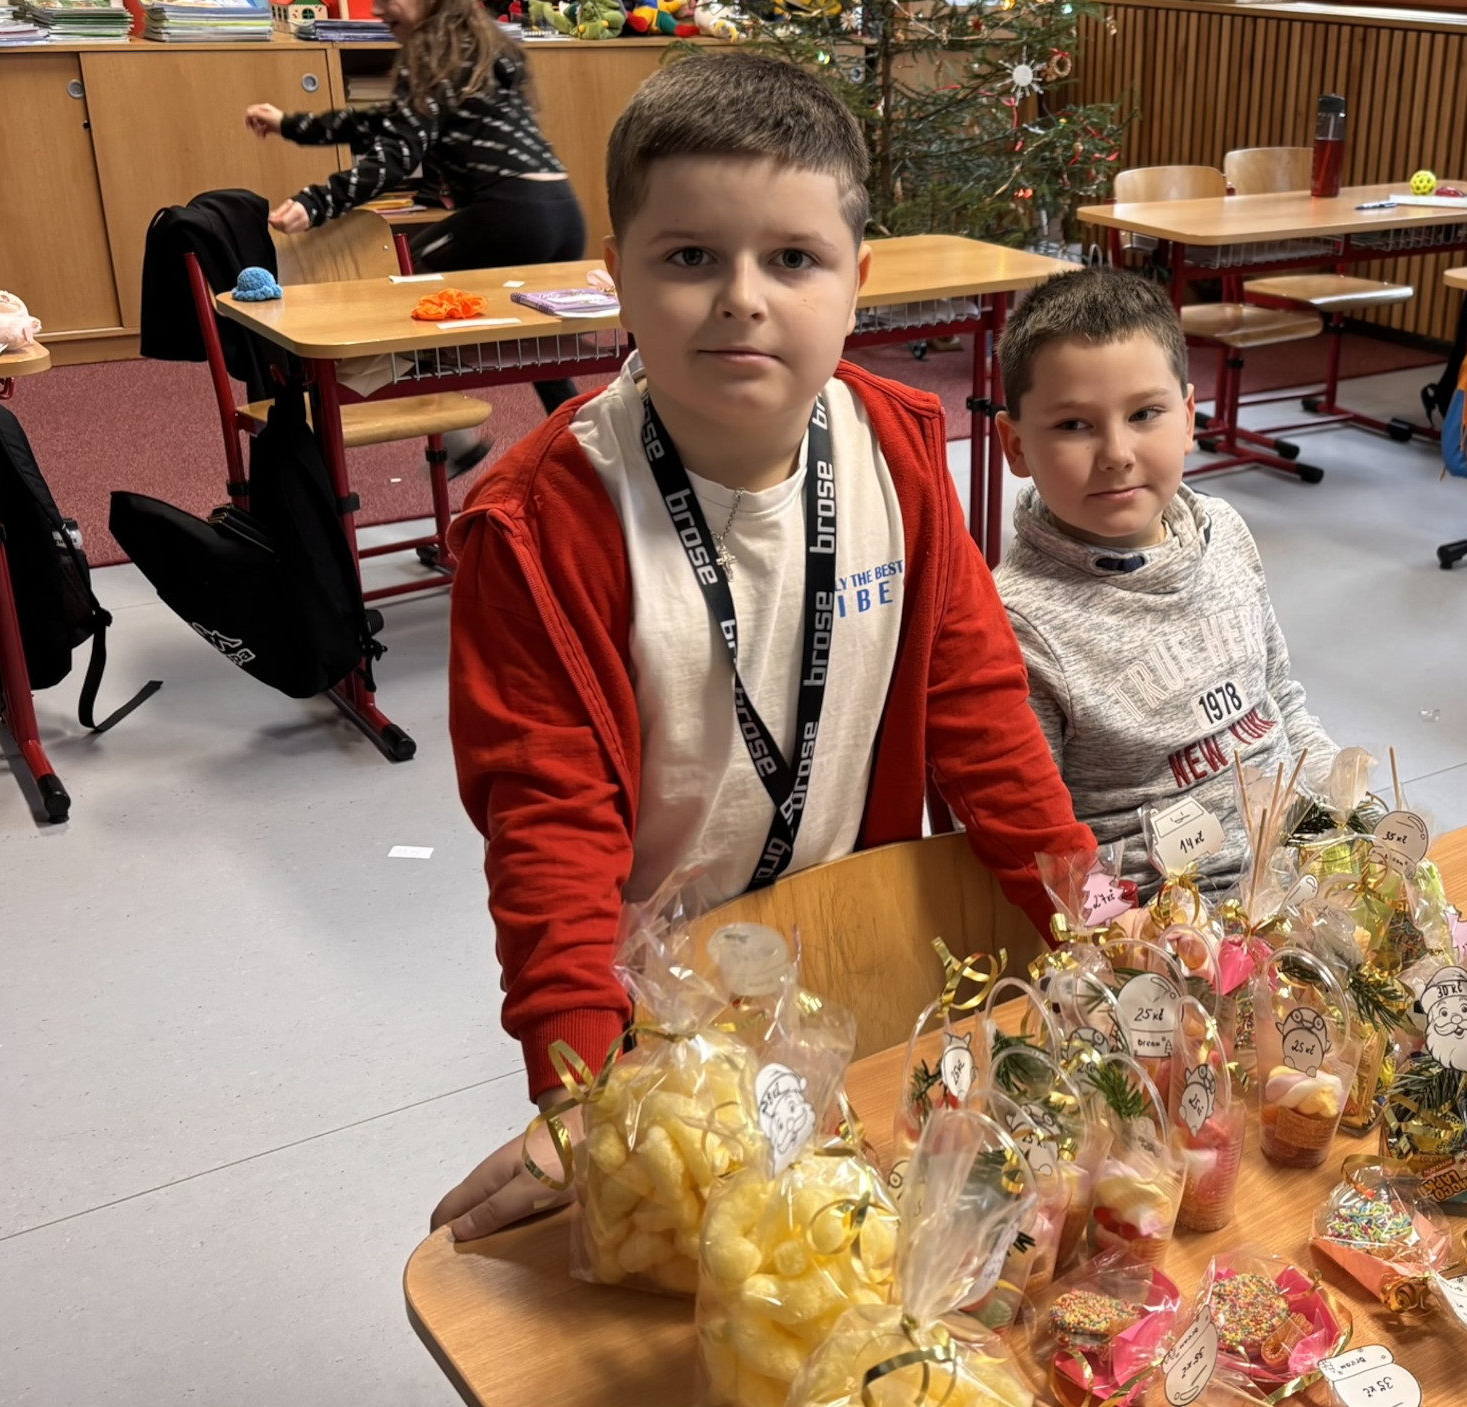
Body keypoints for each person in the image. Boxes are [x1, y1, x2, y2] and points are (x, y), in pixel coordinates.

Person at [428, 52, 1091, 1241]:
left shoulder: (896, 448)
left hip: (852, 945)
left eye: (792, 259)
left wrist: (1088, 922)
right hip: (651, 1007)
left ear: (857, 283)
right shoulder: (537, 523)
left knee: (867, 1249)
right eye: (689, 257)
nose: (742, 297)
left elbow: (981, 714)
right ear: (615, 278)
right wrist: (579, 1083)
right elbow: (549, 821)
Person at [992, 268, 1336, 888]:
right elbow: (1035, 845)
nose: (1116, 454)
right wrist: (1131, 932)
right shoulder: (1016, 622)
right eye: (1073, 425)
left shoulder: (1224, 531)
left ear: (1189, 418)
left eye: (1145, 413)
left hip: (1304, 872)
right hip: (1158, 923)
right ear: (1014, 445)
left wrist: (1349, 810)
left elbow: (1279, 699)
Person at [243, 0, 582, 470]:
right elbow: (385, 123)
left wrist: (316, 202)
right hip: (561, 211)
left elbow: (396, 156)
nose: (378, 10)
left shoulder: (428, 52)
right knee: (539, 344)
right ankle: (581, 447)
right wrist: (291, 124)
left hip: (509, 213)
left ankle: (450, 431)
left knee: (401, 287)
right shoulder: (477, 48)